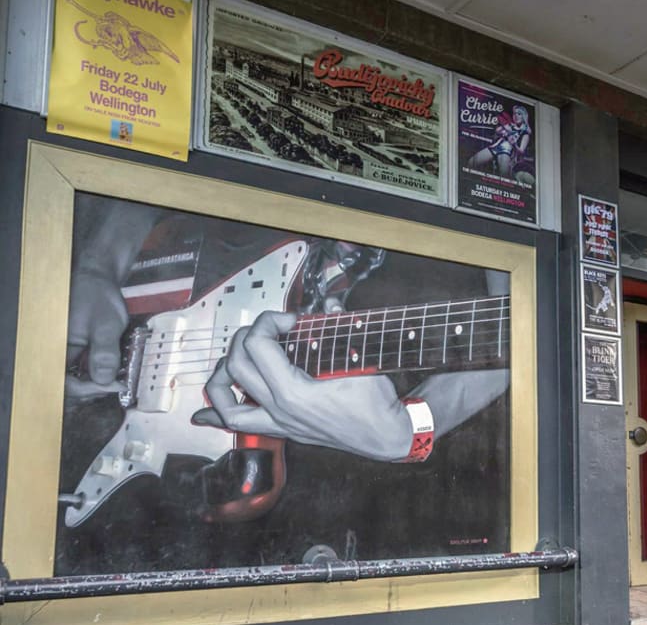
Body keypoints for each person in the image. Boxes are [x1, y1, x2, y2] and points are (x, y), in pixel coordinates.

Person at [60, 194, 511, 570]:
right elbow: (161, 150)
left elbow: (511, 332)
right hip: (170, 279)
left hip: (330, 493)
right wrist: (99, 265)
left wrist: (411, 433)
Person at [467, 104, 531, 179]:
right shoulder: (509, 125)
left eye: (519, 114)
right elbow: (497, 131)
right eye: (514, 114)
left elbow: (521, 151)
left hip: (506, 151)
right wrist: (503, 129)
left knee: (503, 176)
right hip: (495, 147)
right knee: (471, 162)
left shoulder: (525, 133)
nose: (516, 116)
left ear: (523, 116)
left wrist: (514, 144)